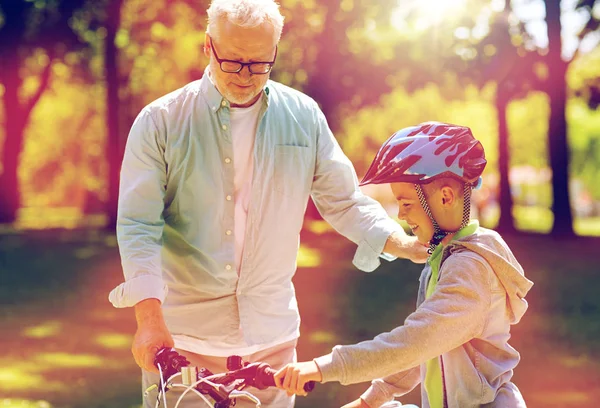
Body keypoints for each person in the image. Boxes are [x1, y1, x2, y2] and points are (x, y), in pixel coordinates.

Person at [108, 0, 427, 406]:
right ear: (208, 46)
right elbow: (138, 224)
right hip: (184, 347)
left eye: (259, 64)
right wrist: (148, 321)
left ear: (275, 51)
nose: (245, 75)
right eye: (233, 61)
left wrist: (405, 245)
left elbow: (344, 201)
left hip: (272, 344)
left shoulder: (304, 116)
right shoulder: (160, 122)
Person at [274, 122, 534, 408]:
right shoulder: (447, 257)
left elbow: (415, 343)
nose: (400, 214)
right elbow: (430, 347)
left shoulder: (470, 269)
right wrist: (372, 400)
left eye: (407, 203)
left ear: (445, 197)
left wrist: (326, 367)